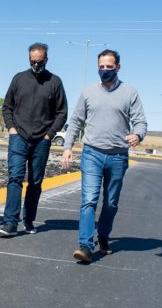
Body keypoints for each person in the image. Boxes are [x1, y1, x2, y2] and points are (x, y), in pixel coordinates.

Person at [61, 49, 147, 263]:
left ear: (118, 67)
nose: (105, 70)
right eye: (101, 67)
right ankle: (86, 246)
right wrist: (67, 147)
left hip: (118, 157)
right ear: (97, 67)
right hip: (92, 153)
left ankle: (104, 236)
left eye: (109, 67)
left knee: (110, 202)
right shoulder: (88, 91)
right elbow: (76, 120)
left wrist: (138, 135)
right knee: (89, 200)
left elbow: (140, 122)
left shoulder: (130, 92)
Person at [0, 43, 68, 237]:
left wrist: (49, 135)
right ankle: (10, 223)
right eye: (32, 61)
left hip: (41, 142)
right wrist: (11, 128)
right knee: (15, 178)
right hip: (18, 137)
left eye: (40, 61)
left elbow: (62, 113)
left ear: (46, 59)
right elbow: (7, 106)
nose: (36, 64)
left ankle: (28, 221)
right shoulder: (19, 79)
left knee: (35, 182)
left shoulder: (55, 82)